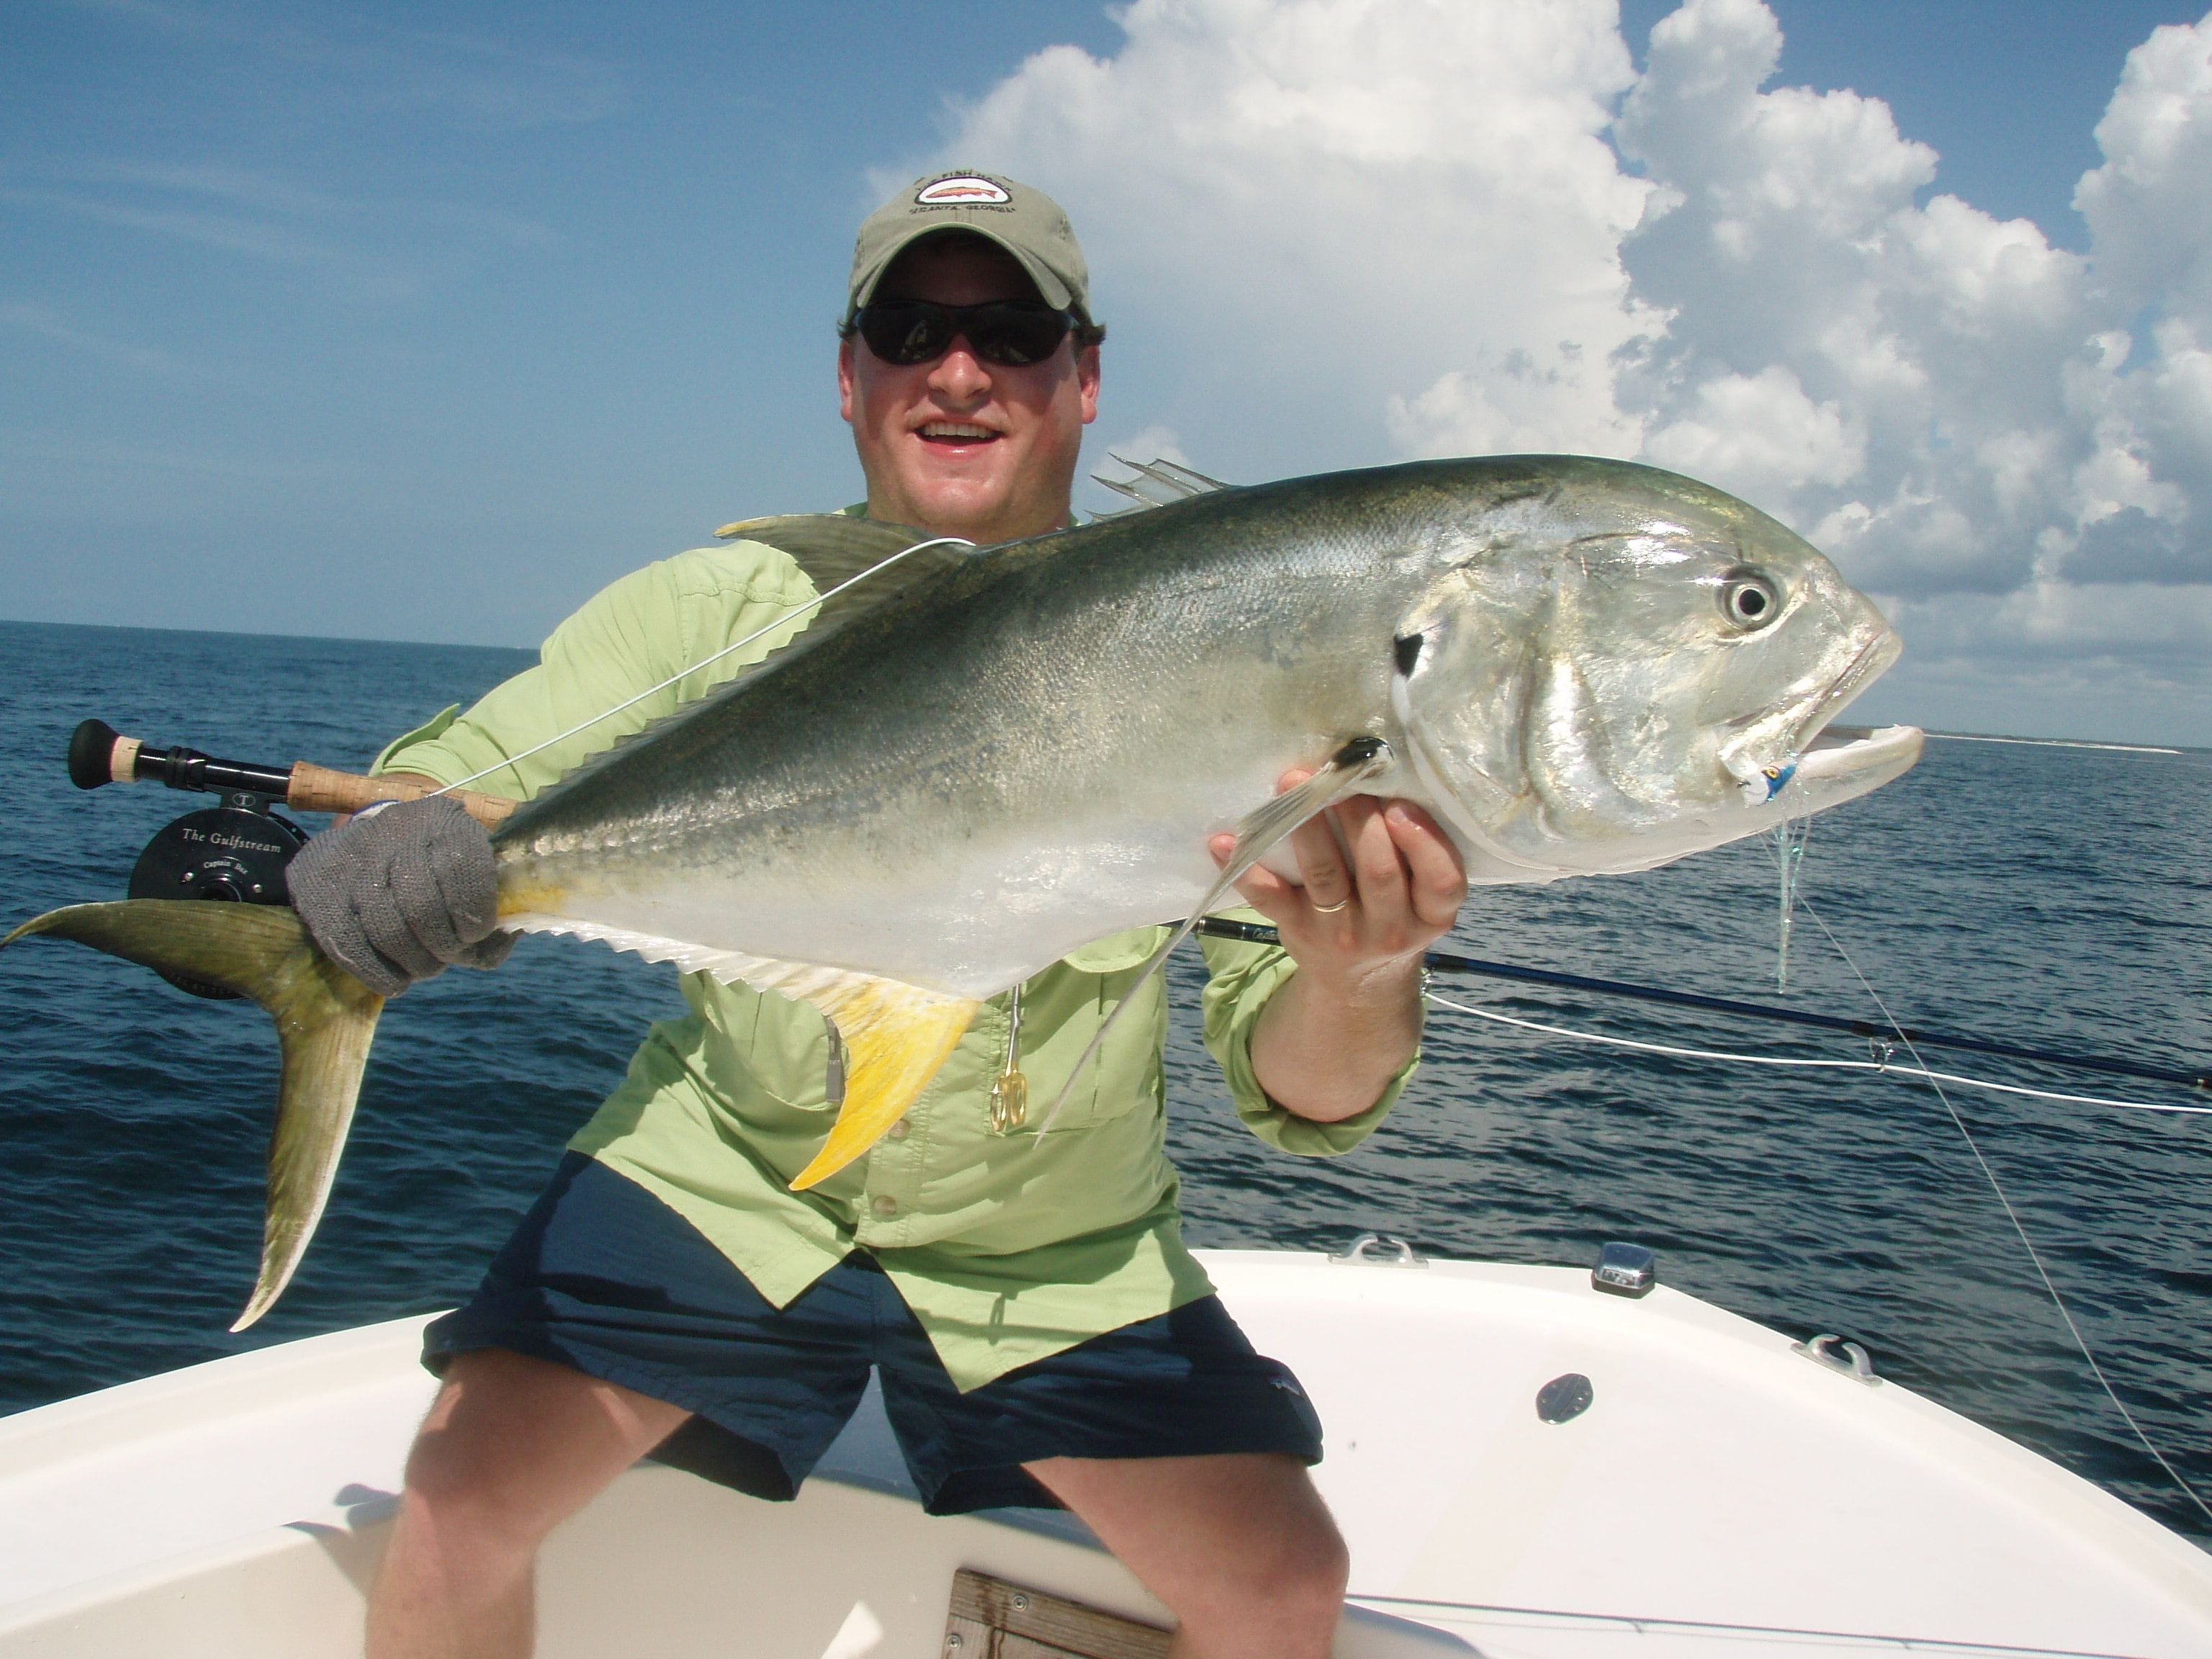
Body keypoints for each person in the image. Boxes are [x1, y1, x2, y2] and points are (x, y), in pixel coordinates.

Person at [292, 171, 1469, 1659]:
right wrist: (403, 835)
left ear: (1085, 375)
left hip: (1049, 1238)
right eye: (911, 330)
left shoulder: (1231, 654)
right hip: (733, 1175)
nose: (959, 371)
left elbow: (1305, 1092)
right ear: (851, 378)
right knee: (460, 1494)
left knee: (1283, 1585)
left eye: (1013, 331)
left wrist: (1363, 973)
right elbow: (473, 774)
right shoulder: (716, 610)